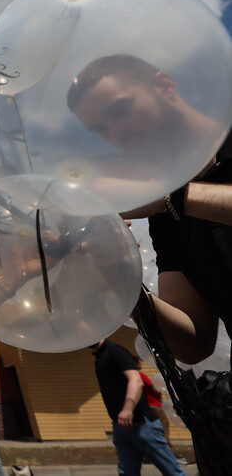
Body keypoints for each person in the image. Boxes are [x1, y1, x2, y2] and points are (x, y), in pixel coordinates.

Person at [67, 54, 232, 365]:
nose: (116, 133)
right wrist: (117, 273)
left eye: (119, 110)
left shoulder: (167, 201)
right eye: (101, 129)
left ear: (165, 86)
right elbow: (193, 345)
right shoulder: (165, 215)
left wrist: (173, 198)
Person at [90, 339, 186, 476]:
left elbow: (136, 380)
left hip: (142, 424)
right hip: (120, 426)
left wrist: (128, 409)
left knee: (172, 472)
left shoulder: (115, 351)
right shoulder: (99, 356)